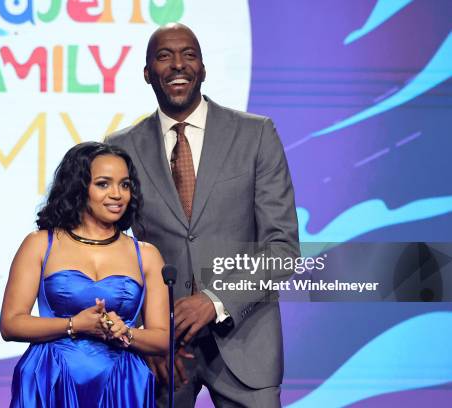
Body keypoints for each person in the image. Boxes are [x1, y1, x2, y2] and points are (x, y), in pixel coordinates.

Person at [106, 24, 300, 407]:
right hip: (165, 354)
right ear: (147, 72)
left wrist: (214, 300)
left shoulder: (255, 134)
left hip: (247, 346)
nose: (178, 64)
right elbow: (112, 254)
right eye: (164, 56)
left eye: (188, 55)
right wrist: (144, 335)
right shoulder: (121, 147)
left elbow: (283, 249)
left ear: (203, 68)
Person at [0, 142, 169, 407]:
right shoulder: (40, 244)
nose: (117, 194)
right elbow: (11, 324)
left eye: (124, 185)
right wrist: (74, 325)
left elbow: (162, 339)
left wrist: (126, 332)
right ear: (79, 187)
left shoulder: (146, 254)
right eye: (103, 184)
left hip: (122, 382)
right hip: (50, 377)